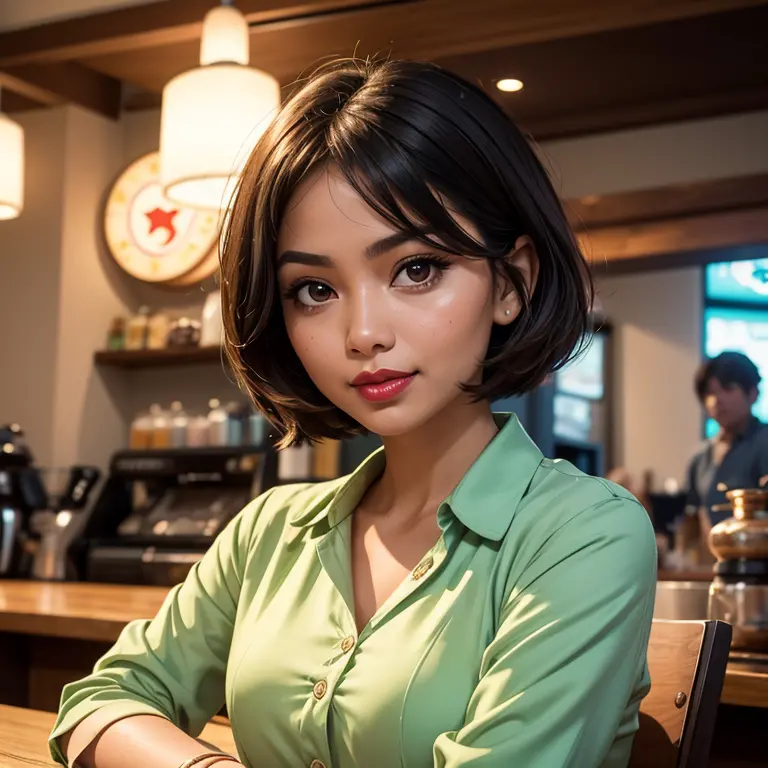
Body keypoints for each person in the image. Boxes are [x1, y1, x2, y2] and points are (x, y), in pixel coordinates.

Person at [49, 58, 656, 768]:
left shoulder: (584, 536)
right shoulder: (268, 535)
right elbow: (101, 701)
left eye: (416, 268)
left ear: (511, 283)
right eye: (313, 289)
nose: (363, 333)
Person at [686, 351, 768, 532]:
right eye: (710, 392)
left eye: (728, 388)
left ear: (752, 393)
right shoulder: (700, 457)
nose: (717, 400)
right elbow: (693, 518)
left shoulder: (764, 442)